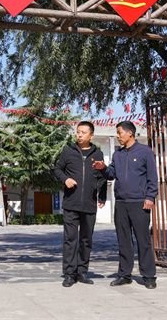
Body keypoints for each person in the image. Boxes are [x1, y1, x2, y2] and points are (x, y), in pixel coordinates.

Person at [93, 120, 159, 289]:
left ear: (130, 133)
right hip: (121, 203)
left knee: (143, 240)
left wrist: (150, 197)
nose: (118, 136)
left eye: (119, 133)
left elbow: (152, 178)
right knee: (123, 241)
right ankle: (124, 274)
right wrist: (102, 168)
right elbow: (111, 174)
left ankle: (149, 275)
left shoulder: (145, 152)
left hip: (139, 203)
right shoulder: (118, 154)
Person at [53, 121, 107, 287]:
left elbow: (102, 176)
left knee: (86, 240)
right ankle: (69, 274)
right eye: (78, 132)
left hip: (89, 204)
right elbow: (56, 169)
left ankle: (82, 272)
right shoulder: (68, 152)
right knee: (70, 239)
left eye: (83, 132)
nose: (79, 135)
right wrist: (66, 179)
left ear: (91, 135)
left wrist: (102, 196)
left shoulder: (97, 153)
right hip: (71, 203)